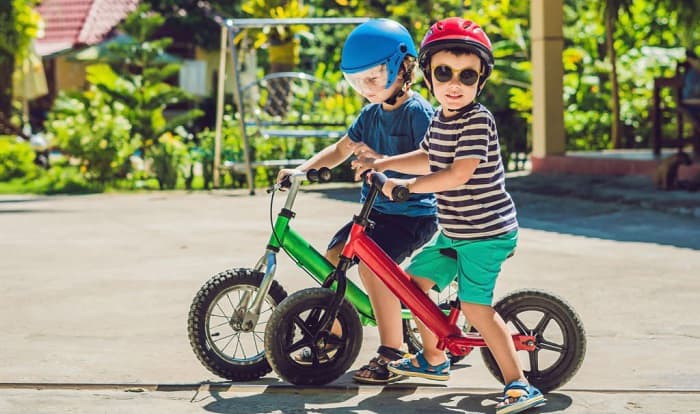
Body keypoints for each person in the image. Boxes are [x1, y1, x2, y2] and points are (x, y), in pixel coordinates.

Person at [351, 17, 545, 413]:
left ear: (481, 81)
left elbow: (458, 173)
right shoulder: (440, 118)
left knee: (475, 307)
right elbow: (428, 157)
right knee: (411, 288)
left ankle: (519, 384)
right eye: (444, 73)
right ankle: (434, 359)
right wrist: (387, 164)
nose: (455, 84)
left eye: (467, 76)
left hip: (486, 233)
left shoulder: (477, 121)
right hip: (455, 230)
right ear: (428, 76)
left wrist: (405, 187)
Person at [276, 18, 438, 384]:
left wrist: (393, 174)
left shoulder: (418, 114)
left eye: (374, 77)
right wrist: (301, 170)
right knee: (334, 257)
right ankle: (334, 334)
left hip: (412, 213)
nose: (366, 88)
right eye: (358, 80)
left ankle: (392, 353)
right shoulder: (369, 115)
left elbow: (432, 159)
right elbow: (340, 150)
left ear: (403, 68)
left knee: (373, 267)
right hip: (374, 213)